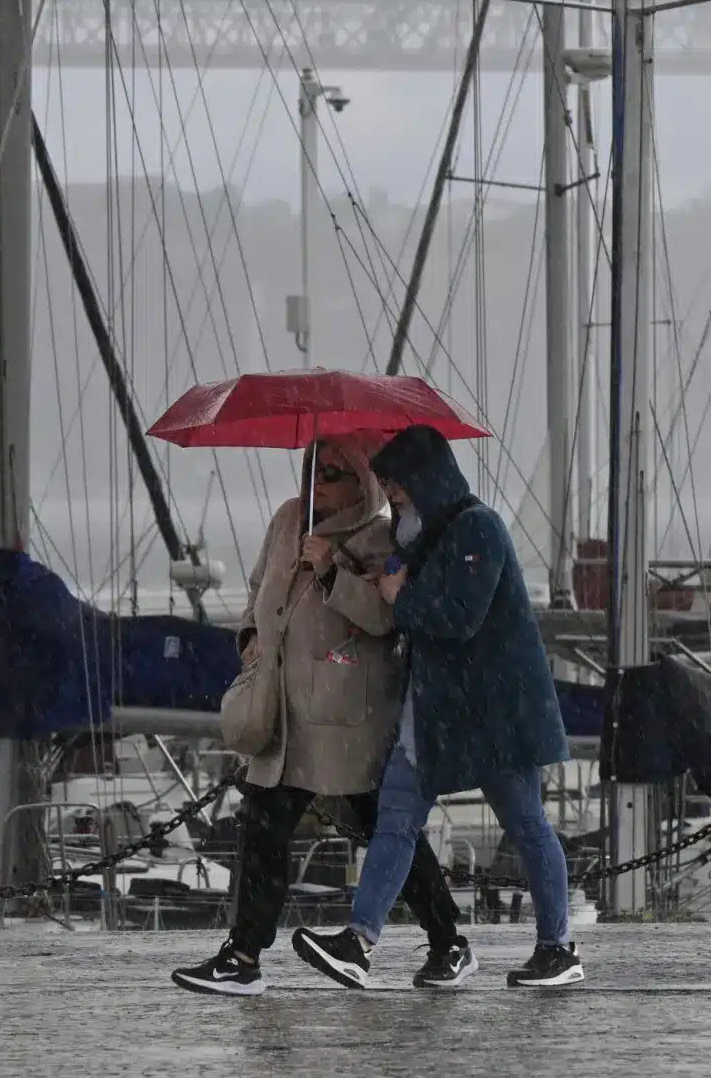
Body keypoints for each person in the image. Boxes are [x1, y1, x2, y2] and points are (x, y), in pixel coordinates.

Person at [170, 435, 472, 997]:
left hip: (346, 717)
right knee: (264, 827)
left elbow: (386, 619)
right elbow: (260, 588)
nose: (320, 481)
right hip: (284, 712)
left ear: (362, 479)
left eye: (335, 470)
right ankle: (243, 956)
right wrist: (250, 639)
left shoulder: (384, 536)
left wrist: (333, 569)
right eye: (314, 467)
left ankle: (447, 937)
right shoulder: (289, 519)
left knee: (385, 827)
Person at [290, 423, 584, 989]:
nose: (392, 495)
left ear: (426, 480)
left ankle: (558, 947)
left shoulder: (478, 528)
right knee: (397, 817)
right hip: (434, 711)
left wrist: (402, 596)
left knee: (524, 824)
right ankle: (359, 941)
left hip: (493, 714)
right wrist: (387, 581)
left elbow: (458, 618)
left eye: (397, 485)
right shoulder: (426, 536)